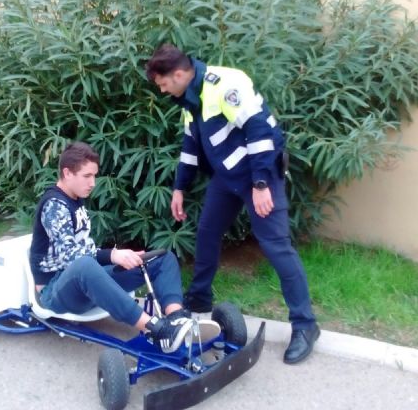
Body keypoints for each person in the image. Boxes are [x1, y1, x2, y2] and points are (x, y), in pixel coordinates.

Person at [145, 44, 320, 364]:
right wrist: (179, 188)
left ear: (180, 74)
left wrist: (262, 184)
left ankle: (305, 325)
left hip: (258, 175)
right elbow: (190, 146)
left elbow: (260, 131)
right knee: (207, 234)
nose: (162, 89)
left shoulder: (224, 84)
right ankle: (198, 302)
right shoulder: (189, 100)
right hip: (227, 179)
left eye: (163, 83)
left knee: (277, 247)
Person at [29, 141, 218, 353]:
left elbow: (85, 251)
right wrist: (113, 255)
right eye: (87, 176)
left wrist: (123, 257)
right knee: (84, 265)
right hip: (55, 291)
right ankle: (157, 329)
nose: (93, 183)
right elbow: (71, 257)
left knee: (162, 258)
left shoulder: (75, 198)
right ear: (67, 173)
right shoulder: (54, 205)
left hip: (86, 279)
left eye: (94, 176)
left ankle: (176, 320)